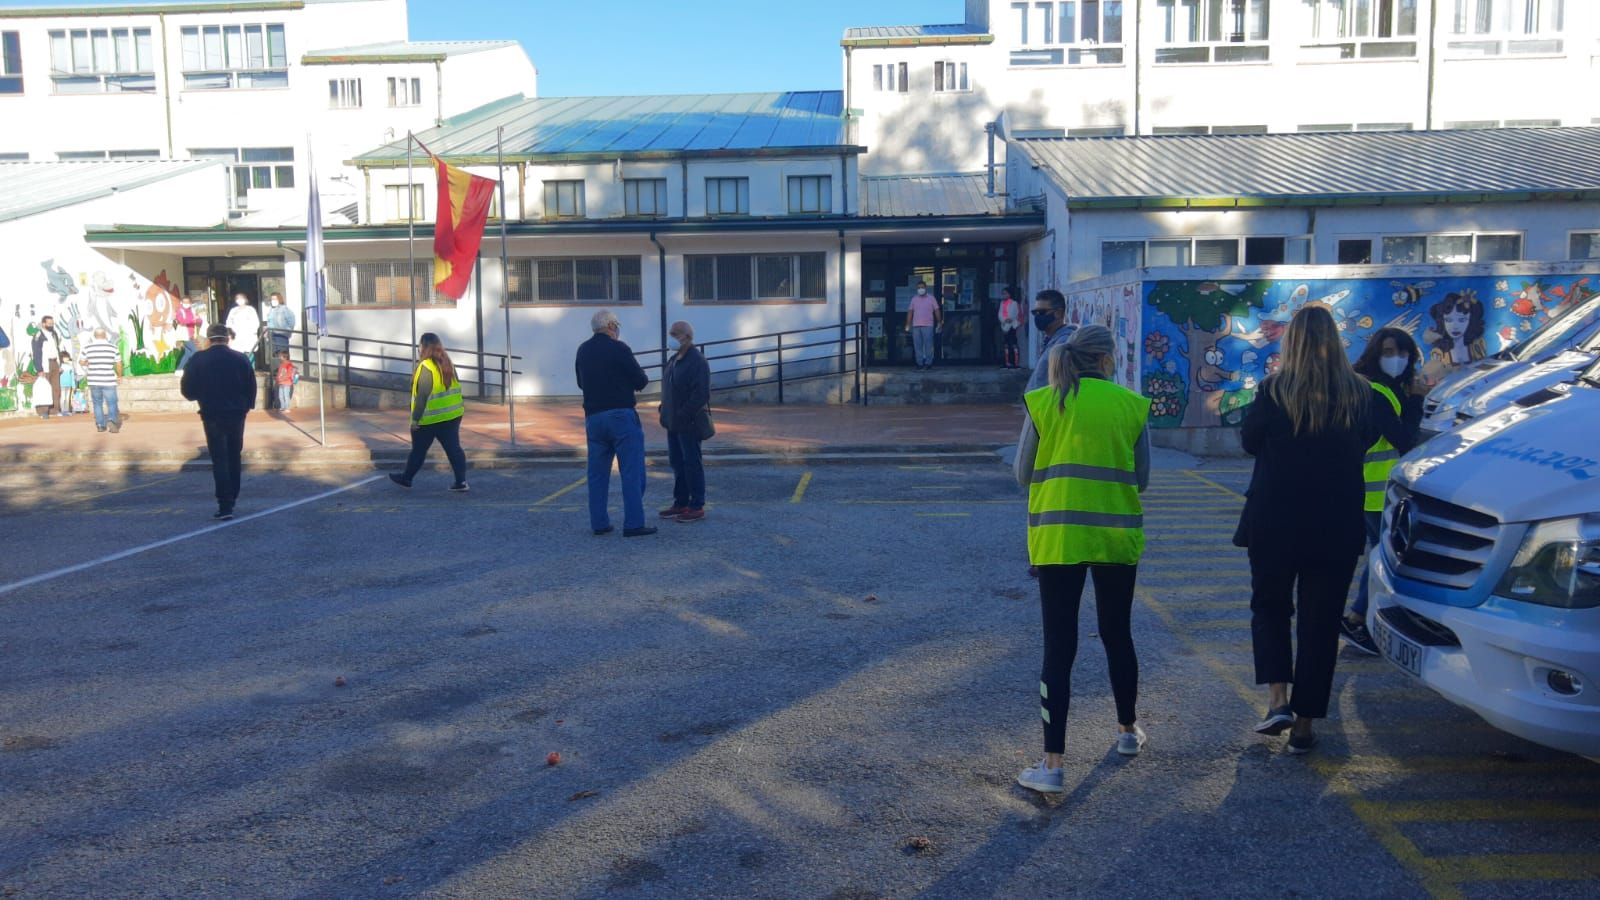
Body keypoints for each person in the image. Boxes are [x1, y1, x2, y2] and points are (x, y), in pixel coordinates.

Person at [1237, 305, 1400, 755]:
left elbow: (1249, 442)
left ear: (1292, 342)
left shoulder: (1273, 390)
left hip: (1275, 520)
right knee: (1320, 622)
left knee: (1270, 608)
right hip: (1336, 522)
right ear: (1336, 339)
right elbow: (1371, 439)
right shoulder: (1361, 393)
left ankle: (1277, 701)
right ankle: (1306, 722)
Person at [1013, 325, 1153, 794]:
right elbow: (1144, 478)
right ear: (1109, 359)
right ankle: (1127, 732)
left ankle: (1052, 765)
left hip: (1059, 539)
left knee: (1059, 645)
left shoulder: (1044, 403)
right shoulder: (1130, 406)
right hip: (1115, 537)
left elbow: (1021, 473)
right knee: (1117, 634)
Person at [1343, 327, 1424, 655]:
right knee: (1383, 559)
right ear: (1376, 354)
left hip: (1376, 488)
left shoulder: (1382, 388)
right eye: (1389, 352)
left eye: (1403, 354)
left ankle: (1360, 616)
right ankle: (1357, 617)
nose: (1397, 360)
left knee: (1381, 556)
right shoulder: (1377, 392)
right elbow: (1404, 439)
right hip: (1376, 490)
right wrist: (1417, 401)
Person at [576, 309, 653, 537]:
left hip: (593, 417)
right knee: (631, 471)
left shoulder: (583, 350)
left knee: (597, 474)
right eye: (616, 325)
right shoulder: (620, 349)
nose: (617, 329)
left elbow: (581, 383)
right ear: (610, 325)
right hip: (620, 416)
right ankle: (633, 524)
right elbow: (641, 380)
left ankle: (599, 523)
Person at [180, 323, 257, 520]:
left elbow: (187, 389)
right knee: (234, 454)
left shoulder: (199, 359)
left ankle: (225, 504)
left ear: (208, 339)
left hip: (212, 412)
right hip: (237, 413)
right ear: (227, 338)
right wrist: (246, 406)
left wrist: (200, 396)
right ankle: (233, 494)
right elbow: (251, 386)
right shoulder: (241, 358)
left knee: (219, 458)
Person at [388, 333, 468, 492]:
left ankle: (406, 479)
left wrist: (415, 420)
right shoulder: (448, 362)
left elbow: (422, 397)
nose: (418, 348)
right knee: (454, 449)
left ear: (423, 347)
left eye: (419, 345)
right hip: (452, 415)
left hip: (429, 419)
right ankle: (461, 482)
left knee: (418, 450)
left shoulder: (425, 367)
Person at [658, 320, 711, 524]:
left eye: (675, 334)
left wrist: (683, 412)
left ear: (686, 336)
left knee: (691, 463)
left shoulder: (696, 360)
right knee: (677, 463)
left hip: (688, 423)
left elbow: (701, 393)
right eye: (671, 334)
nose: (671, 338)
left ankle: (697, 505)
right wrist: (665, 409)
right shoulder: (674, 359)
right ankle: (680, 502)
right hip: (672, 422)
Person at [1025, 289, 1075, 392]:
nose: (1038, 316)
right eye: (1035, 313)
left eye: (1042, 312)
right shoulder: (1050, 340)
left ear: (1058, 313)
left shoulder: (1064, 343)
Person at [81, 326, 123, 434]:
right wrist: (119, 376)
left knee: (97, 403)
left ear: (95, 336)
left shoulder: (87, 348)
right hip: (108, 379)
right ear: (105, 335)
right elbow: (118, 364)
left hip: (94, 380)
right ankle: (112, 422)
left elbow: (81, 362)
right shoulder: (113, 348)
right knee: (112, 403)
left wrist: (87, 364)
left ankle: (100, 425)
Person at [905, 281, 942, 370]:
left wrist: (939, 322)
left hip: (928, 325)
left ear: (925, 288)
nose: (920, 289)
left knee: (928, 345)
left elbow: (937, 310)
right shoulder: (914, 299)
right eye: (918, 288)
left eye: (922, 287)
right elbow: (910, 312)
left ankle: (929, 363)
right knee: (917, 346)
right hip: (916, 326)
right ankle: (919, 363)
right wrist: (908, 324)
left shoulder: (931, 298)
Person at [30, 316, 61, 419]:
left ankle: (54, 410)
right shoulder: (38, 335)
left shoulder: (54, 334)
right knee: (44, 388)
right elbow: (36, 352)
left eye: (52, 323)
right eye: (49, 323)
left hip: (54, 362)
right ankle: (43, 412)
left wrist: (59, 364)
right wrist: (39, 369)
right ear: (43, 324)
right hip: (45, 364)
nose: (51, 325)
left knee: (56, 388)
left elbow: (57, 348)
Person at [225, 293, 261, 368]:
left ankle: (251, 372)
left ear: (245, 299)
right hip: (236, 338)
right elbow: (228, 322)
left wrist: (251, 332)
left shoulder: (250, 310)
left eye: (241, 298)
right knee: (237, 357)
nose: (239, 300)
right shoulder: (233, 310)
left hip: (248, 337)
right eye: (237, 299)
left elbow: (256, 323)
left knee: (249, 356)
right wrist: (231, 333)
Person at [174, 294, 204, 373]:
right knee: (195, 351)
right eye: (184, 302)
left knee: (187, 354)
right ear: (181, 302)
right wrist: (193, 320)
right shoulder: (179, 310)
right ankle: (193, 368)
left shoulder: (192, 310)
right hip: (184, 334)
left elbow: (199, 320)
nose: (186, 304)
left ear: (190, 303)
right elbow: (182, 321)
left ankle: (179, 369)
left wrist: (198, 320)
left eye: (187, 302)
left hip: (191, 334)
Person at [997, 286, 1023, 369]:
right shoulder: (1002, 303)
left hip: (1012, 325)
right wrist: (1003, 321)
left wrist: (1007, 322)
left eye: (1005, 293)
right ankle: (1007, 362)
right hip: (1004, 325)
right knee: (1006, 344)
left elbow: (1013, 314)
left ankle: (1015, 362)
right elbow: (1000, 314)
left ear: (1010, 294)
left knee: (1013, 343)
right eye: (1003, 294)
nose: (1004, 295)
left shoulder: (1014, 303)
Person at [265, 293, 295, 359]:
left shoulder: (284, 309)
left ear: (279, 299)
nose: (273, 301)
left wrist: (287, 330)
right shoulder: (271, 310)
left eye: (275, 299)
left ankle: (285, 368)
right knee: (274, 355)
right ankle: (276, 368)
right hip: (272, 335)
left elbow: (291, 321)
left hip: (281, 335)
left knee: (283, 354)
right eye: (272, 299)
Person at [274, 349, 298, 415]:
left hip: (287, 382)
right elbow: (279, 373)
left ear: (285, 357)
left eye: (280, 356)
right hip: (281, 383)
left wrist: (281, 379)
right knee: (280, 396)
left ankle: (287, 408)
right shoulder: (281, 364)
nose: (279, 357)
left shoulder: (289, 364)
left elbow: (289, 374)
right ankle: (283, 407)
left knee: (286, 395)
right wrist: (277, 379)